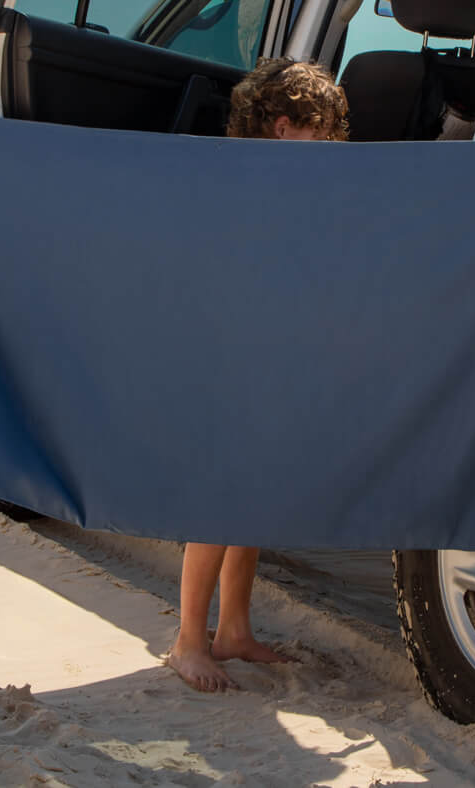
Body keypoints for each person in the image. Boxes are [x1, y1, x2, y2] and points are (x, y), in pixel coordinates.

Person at [164, 56, 352, 694]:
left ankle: (234, 631)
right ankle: (189, 638)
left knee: (254, 493)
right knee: (220, 493)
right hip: (231, 351)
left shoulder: (296, 188)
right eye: (318, 130)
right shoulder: (241, 181)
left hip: (272, 345)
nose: (328, 142)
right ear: (281, 126)